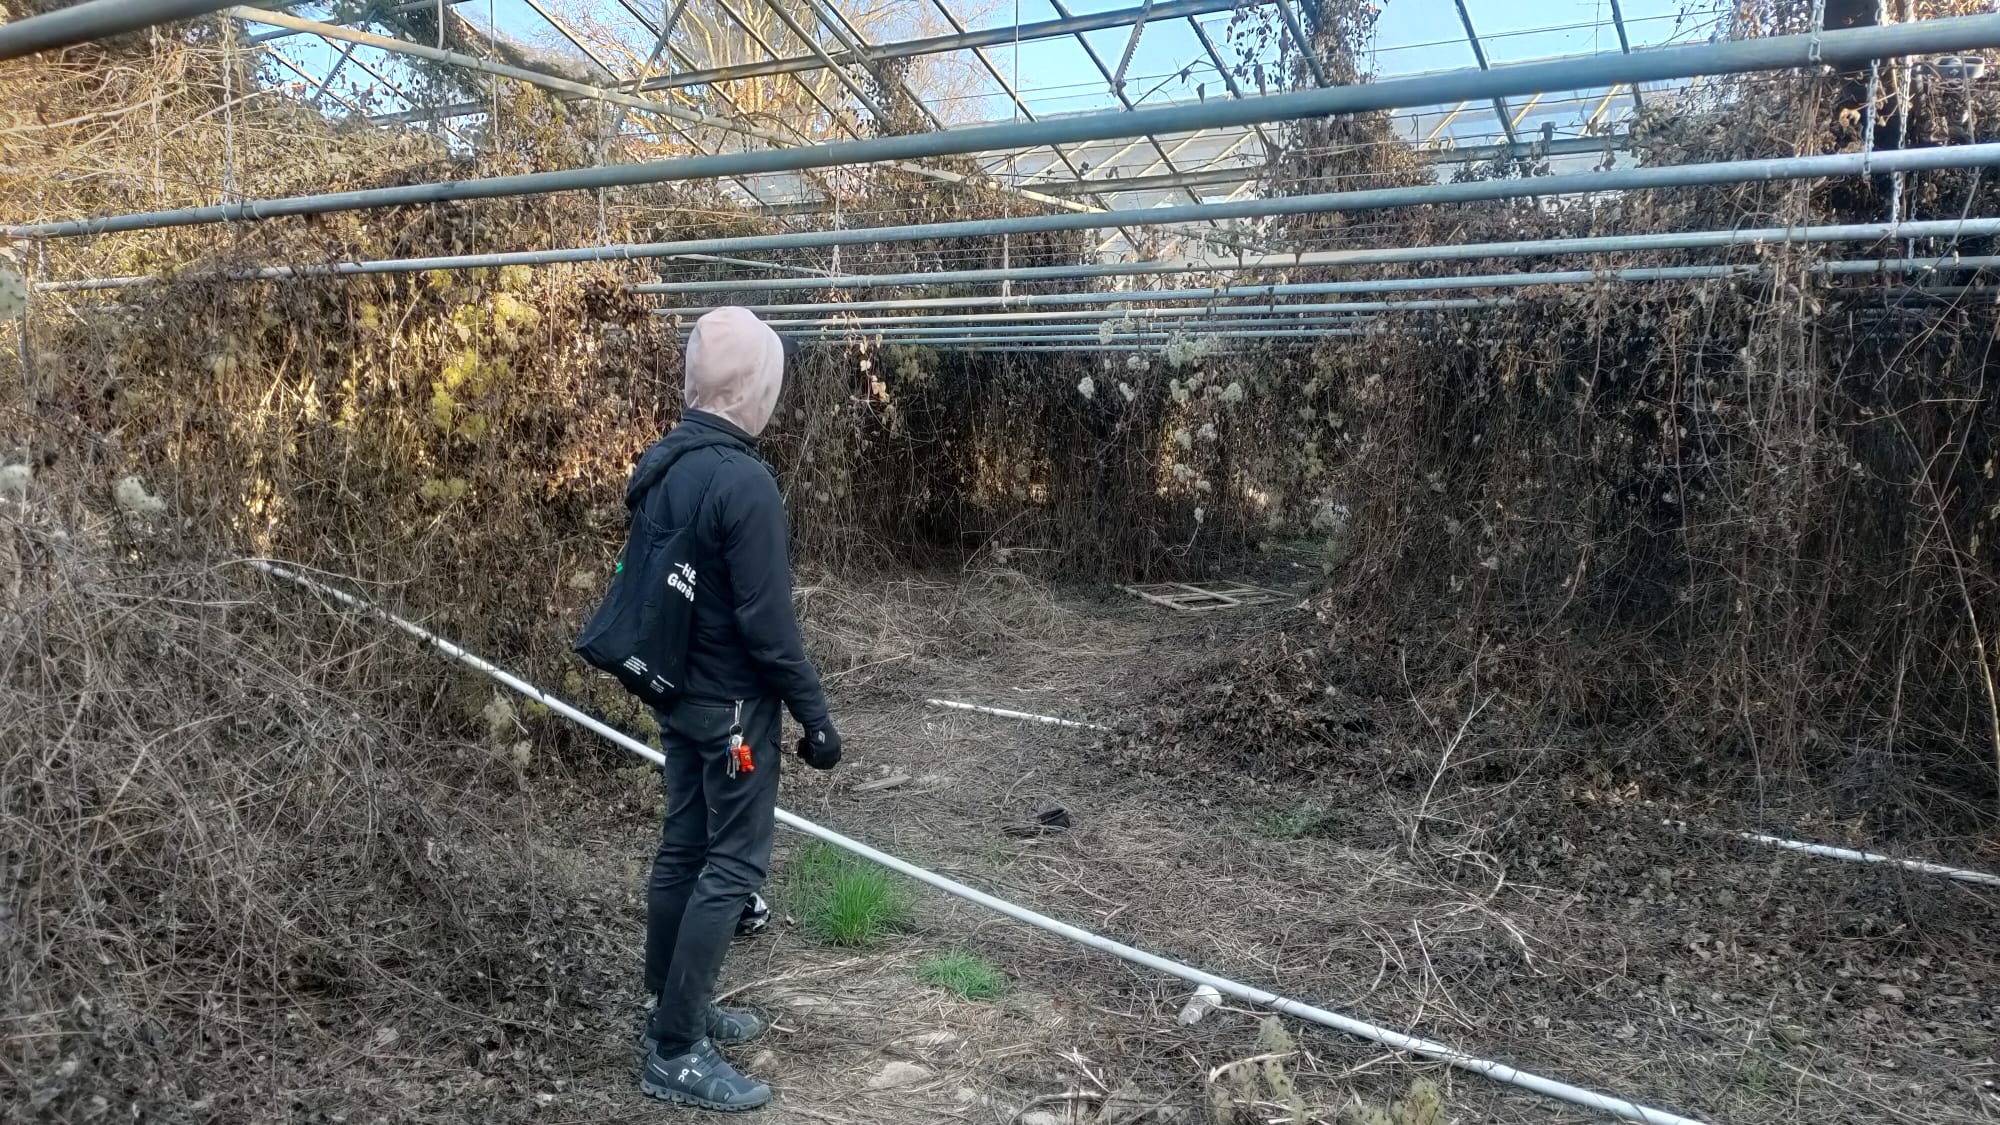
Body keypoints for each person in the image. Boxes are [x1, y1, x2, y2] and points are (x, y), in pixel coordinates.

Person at [625, 306, 843, 1111]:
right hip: (732, 714)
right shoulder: (743, 481)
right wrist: (817, 718)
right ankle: (676, 1049)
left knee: (684, 845)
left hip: (680, 697)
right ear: (756, 387)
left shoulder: (665, 465)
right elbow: (769, 626)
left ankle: (671, 1005)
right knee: (734, 864)